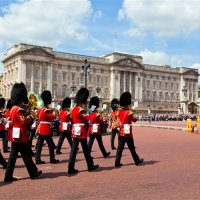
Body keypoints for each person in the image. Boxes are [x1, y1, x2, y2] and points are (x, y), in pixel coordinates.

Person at [4, 82, 42, 182]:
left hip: (15, 135)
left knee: (15, 157)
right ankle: (33, 173)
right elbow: (22, 122)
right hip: (20, 135)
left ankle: (8, 176)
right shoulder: (18, 110)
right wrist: (30, 117)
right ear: (20, 98)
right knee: (25, 155)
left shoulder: (13, 109)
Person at [68, 88, 99, 174]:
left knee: (73, 150)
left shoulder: (73, 109)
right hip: (81, 131)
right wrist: (90, 115)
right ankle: (90, 165)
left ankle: (70, 167)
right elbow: (85, 119)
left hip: (75, 131)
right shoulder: (80, 110)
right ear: (82, 102)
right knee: (85, 150)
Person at [115, 92, 143, 167]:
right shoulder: (129, 113)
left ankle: (117, 162)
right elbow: (135, 119)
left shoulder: (119, 112)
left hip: (121, 132)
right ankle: (137, 161)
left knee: (120, 149)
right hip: (127, 133)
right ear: (127, 104)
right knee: (132, 148)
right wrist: (132, 111)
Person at [35, 90, 59, 164]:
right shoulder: (45, 110)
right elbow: (54, 116)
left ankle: (37, 159)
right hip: (45, 129)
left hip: (40, 128)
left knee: (39, 145)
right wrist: (55, 110)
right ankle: (52, 159)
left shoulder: (40, 110)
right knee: (51, 145)